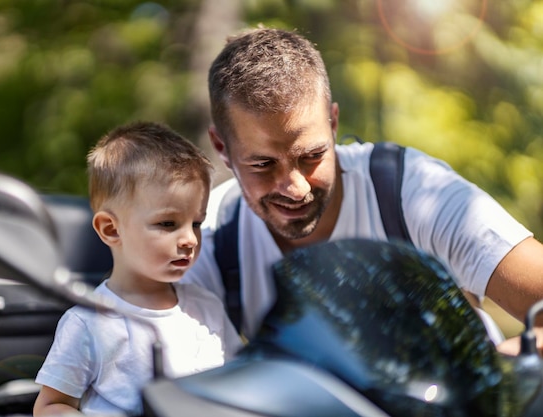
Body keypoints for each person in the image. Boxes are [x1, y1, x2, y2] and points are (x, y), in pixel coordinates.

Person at [183, 27, 543, 350]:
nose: (294, 187)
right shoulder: (205, 239)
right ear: (221, 148)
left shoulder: (414, 191)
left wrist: (492, 376)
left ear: (334, 123)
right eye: (262, 164)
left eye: (311, 156)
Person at [33, 122, 243, 417]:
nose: (189, 239)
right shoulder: (88, 322)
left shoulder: (206, 306)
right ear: (111, 229)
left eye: (196, 222)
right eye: (168, 224)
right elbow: (51, 405)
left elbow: (240, 379)